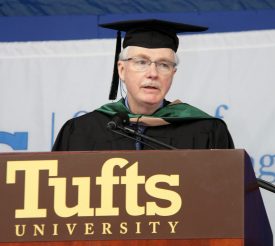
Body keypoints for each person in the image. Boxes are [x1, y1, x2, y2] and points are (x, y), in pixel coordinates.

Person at [52, 19, 234, 151]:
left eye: (164, 65)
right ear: (122, 70)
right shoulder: (81, 132)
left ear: (173, 73)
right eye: (141, 62)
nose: (153, 73)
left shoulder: (205, 130)